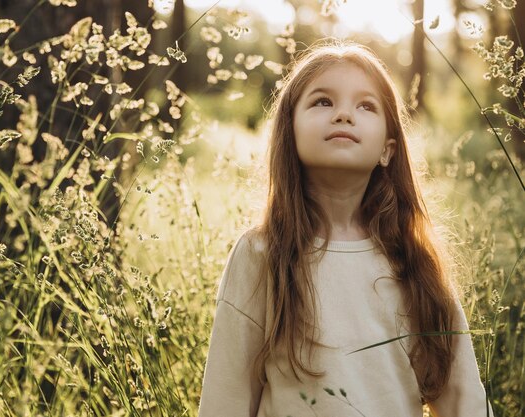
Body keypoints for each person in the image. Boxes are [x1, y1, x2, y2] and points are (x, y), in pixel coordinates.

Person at [197, 39, 494, 417]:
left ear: (387, 150)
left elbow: (463, 399)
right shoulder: (261, 254)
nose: (343, 114)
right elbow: (227, 398)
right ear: (290, 132)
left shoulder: (413, 258)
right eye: (323, 101)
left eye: (366, 106)